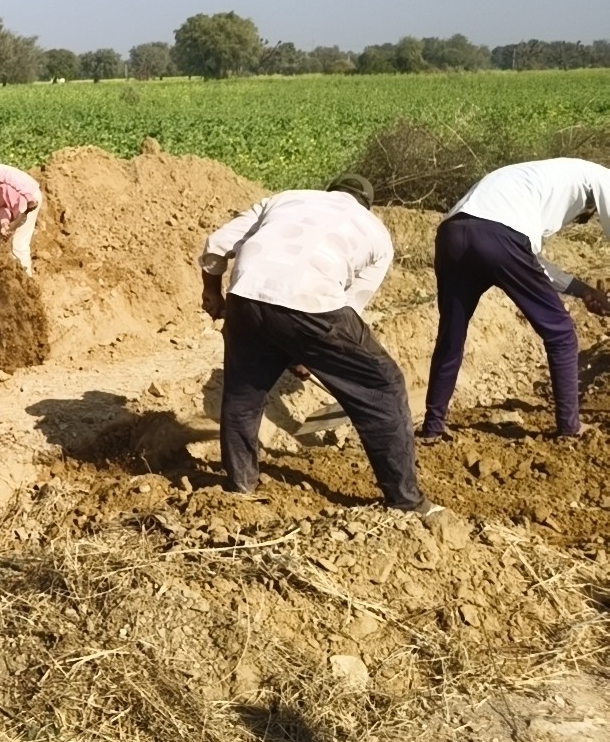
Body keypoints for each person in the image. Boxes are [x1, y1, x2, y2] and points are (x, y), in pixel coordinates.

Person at [200, 174, 436, 515]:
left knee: (243, 395)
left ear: (330, 192)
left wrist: (212, 291)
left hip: (246, 295)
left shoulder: (286, 198)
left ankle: (241, 485)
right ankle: (406, 501)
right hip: (314, 303)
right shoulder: (376, 232)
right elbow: (350, 307)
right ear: (367, 205)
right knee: (383, 386)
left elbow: (217, 245)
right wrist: (311, 351)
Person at [422, 158, 610, 440]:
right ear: (591, 205)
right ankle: (570, 427)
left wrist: (584, 290)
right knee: (561, 333)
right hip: (500, 237)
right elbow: (509, 245)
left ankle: (432, 428)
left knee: (451, 335)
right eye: (585, 215)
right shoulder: (601, 177)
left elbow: (527, 259)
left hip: (451, 234)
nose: (579, 218)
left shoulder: (536, 181)